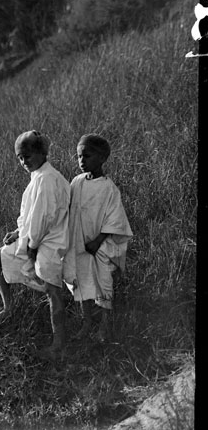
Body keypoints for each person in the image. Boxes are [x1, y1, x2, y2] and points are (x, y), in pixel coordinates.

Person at [0, 130, 70, 359]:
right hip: (38, 236)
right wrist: (17, 232)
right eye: (20, 157)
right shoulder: (38, 176)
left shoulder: (47, 178)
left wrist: (31, 246)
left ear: (42, 151)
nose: (24, 161)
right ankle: (8, 307)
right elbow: (31, 214)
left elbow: (43, 218)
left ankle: (58, 344)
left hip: (51, 240)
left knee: (52, 290)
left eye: (28, 155)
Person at [63, 134, 132, 342]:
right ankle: (86, 322)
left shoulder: (109, 188)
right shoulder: (77, 182)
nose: (81, 161)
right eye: (78, 156)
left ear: (101, 158)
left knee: (103, 282)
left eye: (87, 156)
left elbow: (115, 218)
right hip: (79, 243)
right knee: (82, 281)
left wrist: (98, 241)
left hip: (100, 246)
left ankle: (104, 325)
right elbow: (67, 206)